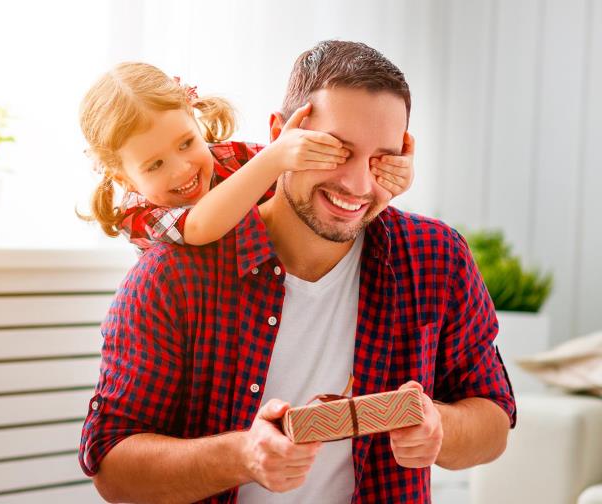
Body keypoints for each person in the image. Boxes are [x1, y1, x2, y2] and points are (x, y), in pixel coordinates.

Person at [79, 41, 516, 504]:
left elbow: (494, 422)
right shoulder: (170, 276)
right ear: (281, 135)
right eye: (336, 151)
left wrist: (439, 427)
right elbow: (113, 468)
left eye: (381, 159)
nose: (358, 184)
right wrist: (242, 455)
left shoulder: (435, 257)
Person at [78, 61, 413, 251]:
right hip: (201, 315)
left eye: (185, 143)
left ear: (195, 119)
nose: (182, 169)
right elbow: (198, 227)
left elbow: (303, 181)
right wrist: (273, 158)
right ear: (123, 177)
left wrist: (385, 173)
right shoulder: (138, 213)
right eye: (154, 165)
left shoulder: (231, 159)